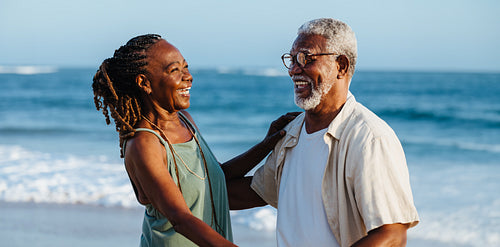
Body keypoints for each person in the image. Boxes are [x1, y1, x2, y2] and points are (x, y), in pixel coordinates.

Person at [226, 18, 420, 247]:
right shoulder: (290, 134)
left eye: (306, 58)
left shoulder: (369, 138)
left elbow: (393, 236)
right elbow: (246, 194)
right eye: (292, 59)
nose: (294, 70)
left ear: (341, 66)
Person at [92, 34, 297, 247]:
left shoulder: (185, 121)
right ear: (144, 82)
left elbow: (214, 178)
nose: (188, 76)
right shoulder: (144, 144)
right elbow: (181, 219)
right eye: (174, 70)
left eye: (186, 67)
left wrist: (266, 145)